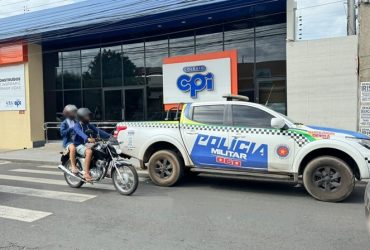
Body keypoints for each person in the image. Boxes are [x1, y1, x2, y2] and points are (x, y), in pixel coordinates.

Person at [73, 108, 111, 181]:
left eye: (88, 116)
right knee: (89, 152)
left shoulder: (88, 125)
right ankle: (86, 173)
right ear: (81, 117)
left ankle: (102, 169)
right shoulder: (77, 126)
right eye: (86, 116)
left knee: (102, 149)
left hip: (86, 144)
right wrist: (87, 138)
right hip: (78, 145)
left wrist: (109, 136)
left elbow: (98, 131)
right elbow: (80, 133)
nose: (88, 118)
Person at [60, 104, 78, 174]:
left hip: (77, 141)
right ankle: (73, 166)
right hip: (68, 142)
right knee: (72, 148)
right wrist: (70, 129)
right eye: (73, 112)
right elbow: (62, 133)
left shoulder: (76, 122)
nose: (75, 114)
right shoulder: (64, 123)